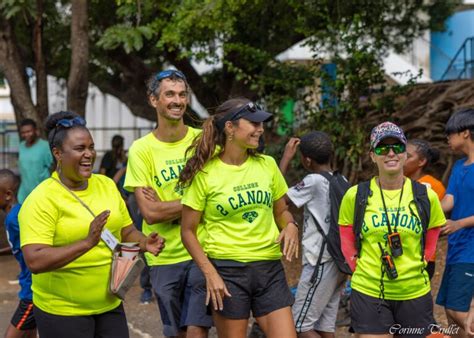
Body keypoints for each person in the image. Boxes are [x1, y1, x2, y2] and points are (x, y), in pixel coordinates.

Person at [19, 111, 165, 338]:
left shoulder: (106, 185)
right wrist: (87, 242)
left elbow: (126, 231)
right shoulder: (41, 199)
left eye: (91, 147)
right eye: (80, 149)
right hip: (63, 313)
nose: (89, 154)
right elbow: (35, 260)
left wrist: (145, 242)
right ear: (57, 153)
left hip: (109, 305)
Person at [179, 98, 299, 338]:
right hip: (227, 272)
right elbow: (188, 231)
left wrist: (291, 226)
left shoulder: (268, 165)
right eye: (253, 123)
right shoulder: (205, 173)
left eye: (261, 123)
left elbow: (281, 211)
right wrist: (210, 273)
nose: (260, 129)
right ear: (230, 128)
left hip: (269, 270)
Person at [124, 69, 212, 338]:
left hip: (203, 250)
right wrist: (198, 201)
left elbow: (216, 195)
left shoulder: (203, 141)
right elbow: (150, 213)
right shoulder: (141, 150)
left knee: (198, 328)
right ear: (154, 100)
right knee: (175, 333)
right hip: (164, 256)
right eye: (170, 94)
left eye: (182, 94)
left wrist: (168, 205)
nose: (178, 100)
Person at [338, 121, 446, 337]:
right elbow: (346, 234)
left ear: (405, 154)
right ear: (372, 155)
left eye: (397, 147)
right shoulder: (356, 195)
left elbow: (434, 230)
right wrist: (356, 267)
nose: (390, 153)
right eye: (382, 148)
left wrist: (424, 260)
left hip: (414, 291)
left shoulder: (425, 195)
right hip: (370, 290)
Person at [279, 132, 346, 338]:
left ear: (307, 160)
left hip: (320, 262)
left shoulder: (313, 181)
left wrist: (286, 159)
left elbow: (279, 200)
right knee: (325, 327)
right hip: (338, 261)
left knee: (300, 326)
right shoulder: (341, 179)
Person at [437, 108, 474, 337]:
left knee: (459, 311)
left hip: (471, 251)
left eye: (450, 134)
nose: (448, 139)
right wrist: (420, 206)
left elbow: (456, 218)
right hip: (456, 248)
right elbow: (448, 201)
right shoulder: (459, 166)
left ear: (466, 133)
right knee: (450, 315)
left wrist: (459, 224)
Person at [403, 138, 446, 280]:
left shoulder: (433, 186)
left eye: (408, 156)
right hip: (397, 253)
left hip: (422, 256)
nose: (401, 159)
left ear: (421, 162)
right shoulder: (396, 183)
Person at [0, 169, 36, 338]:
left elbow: (35, 245)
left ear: (8, 194)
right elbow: (20, 245)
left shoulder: (15, 218)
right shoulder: (13, 216)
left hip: (31, 292)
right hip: (29, 288)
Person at [17, 118, 53, 203]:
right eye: (23, 132)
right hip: (24, 195)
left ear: (36, 131)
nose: (26, 135)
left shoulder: (45, 146)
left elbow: (53, 168)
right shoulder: (21, 146)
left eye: (29, 131)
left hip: (41, 194)